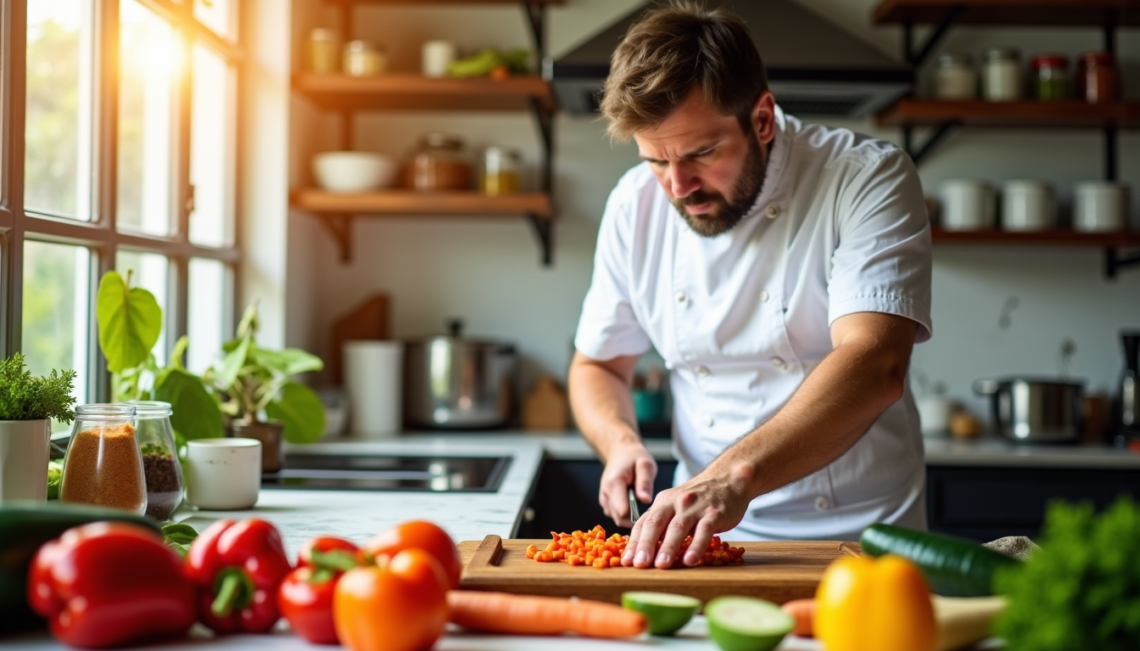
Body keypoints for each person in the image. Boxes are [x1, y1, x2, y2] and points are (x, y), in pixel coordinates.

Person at [568, 1, 933, 570]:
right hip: (698, 537)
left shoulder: (864, 179)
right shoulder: (632, 205)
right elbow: (597, 366)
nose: (678, 186)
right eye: (655, 161)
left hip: (862, 543)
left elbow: (876, 362)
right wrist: (619, 442)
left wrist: (732, 479)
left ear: (762, 119)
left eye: (702, 154)